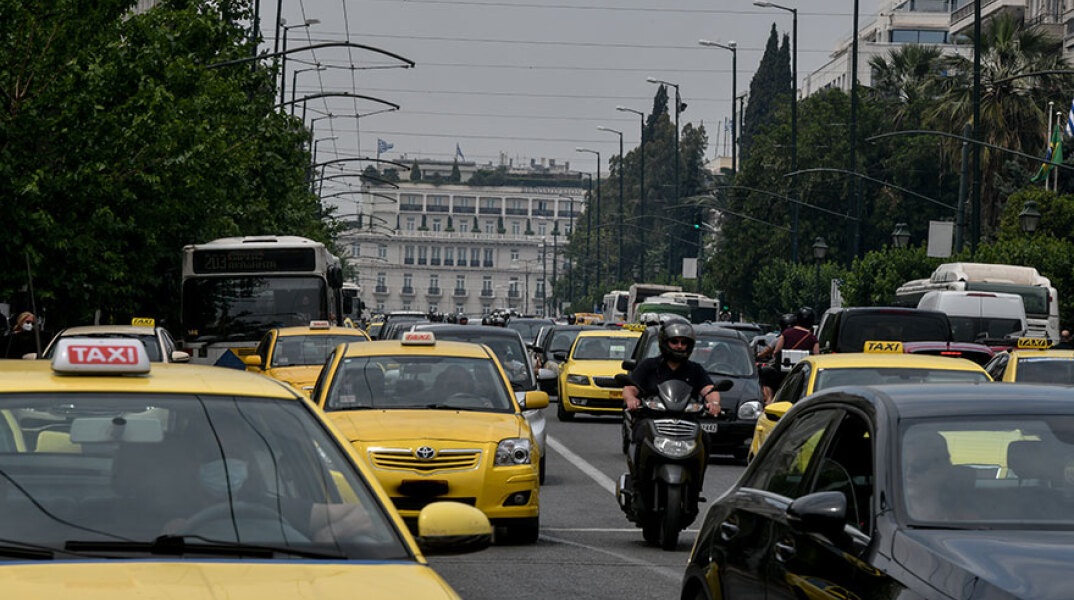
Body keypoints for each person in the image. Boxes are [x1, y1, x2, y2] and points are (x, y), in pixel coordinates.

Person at [623, 321, 722, 418]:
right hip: (652, 419)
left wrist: (714, 403)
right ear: (664, 342)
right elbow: (630, 388)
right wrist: (631, 399)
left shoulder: (695, 369)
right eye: (674, 342)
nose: (679, 346)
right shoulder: (648, 365)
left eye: (683, 343)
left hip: (687, 420)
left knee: (704, 435)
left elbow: (709, 390)